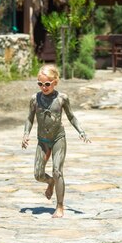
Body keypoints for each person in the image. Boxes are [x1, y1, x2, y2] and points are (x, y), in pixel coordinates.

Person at [22, 64, 90, 218]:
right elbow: (29, 118)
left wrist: (81, 131)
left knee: (57, 171)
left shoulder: (62, 98)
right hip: (43, 140)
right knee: (38, 174)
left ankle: (59, 206)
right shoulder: (35, 99)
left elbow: (71, 116)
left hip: (58, 138)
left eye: (47, 84)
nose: (43, 87)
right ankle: (50, 182)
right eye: (40, 84)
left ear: (55, 82)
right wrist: (26, 134)